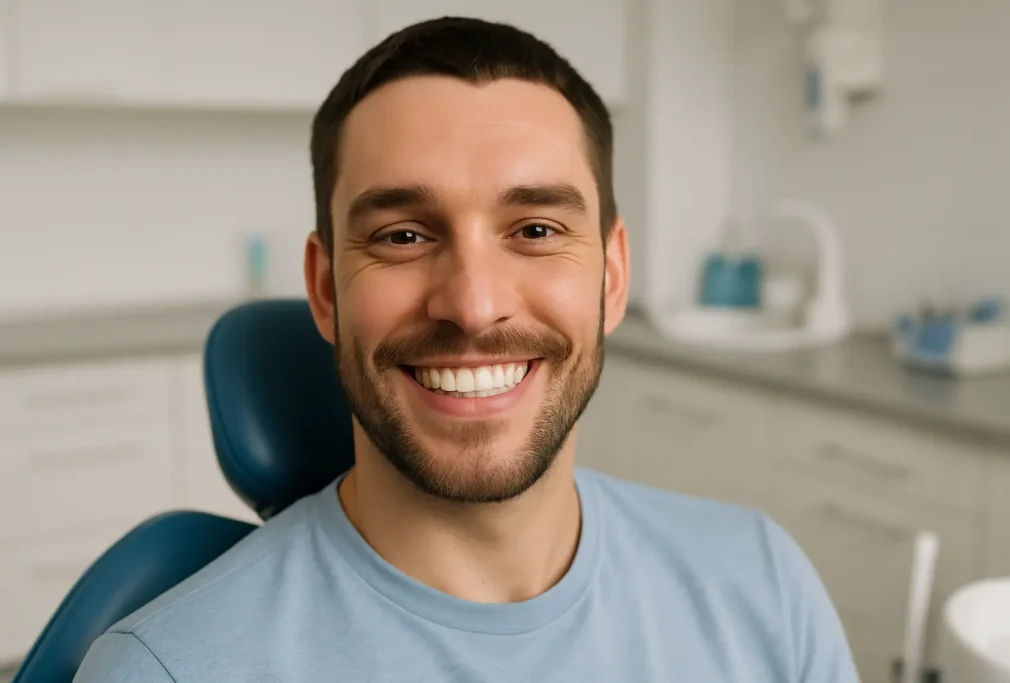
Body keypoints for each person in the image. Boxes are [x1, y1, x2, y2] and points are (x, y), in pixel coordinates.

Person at [75, 16, 859, 682]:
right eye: (404, 234)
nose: (474, 304)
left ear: (613, 277)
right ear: (325, 289)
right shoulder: (164, 670)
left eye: (536, 230)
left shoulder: (765, 586)